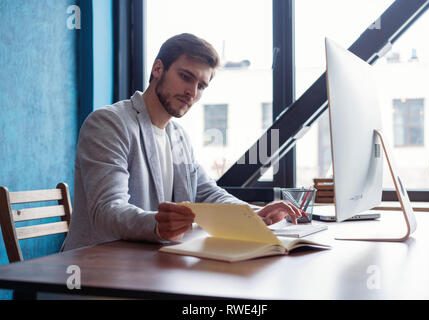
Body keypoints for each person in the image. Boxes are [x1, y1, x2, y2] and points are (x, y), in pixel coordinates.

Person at [62, 33, 302, 251]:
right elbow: (107, 210)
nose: (192, 92)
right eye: (186, 77)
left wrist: (254, 214)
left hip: (150, 262)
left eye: (201, 86)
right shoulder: (109, 123)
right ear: (158, 68)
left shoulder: (178, 136)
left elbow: (207, 193)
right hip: (96, 267)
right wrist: (158, 225)